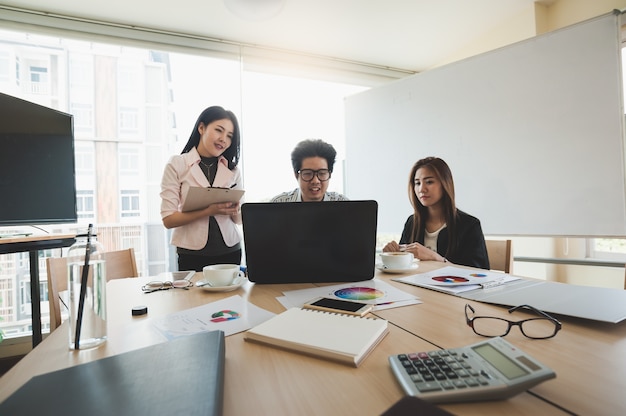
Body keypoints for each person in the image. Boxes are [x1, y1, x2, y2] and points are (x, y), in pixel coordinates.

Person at [160, 106, 243, 272]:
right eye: (219, 130)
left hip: (230, 251)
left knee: (232, 298)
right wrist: (209, 210)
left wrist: (233, 210)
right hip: (191, 254)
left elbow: (239, 220)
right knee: (193, 299)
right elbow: (168, 219)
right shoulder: (177, 164)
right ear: (201, 128)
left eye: (229, 136)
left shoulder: (233, 170)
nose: (223, 139)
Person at [383, 157, 490, 269]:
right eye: (417, 183)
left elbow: (480, 273)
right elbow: (403, 266)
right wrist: (393, 254)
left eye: (429, 182)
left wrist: (434, 257)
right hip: (416, 285)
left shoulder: (469, 225)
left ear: (445, 184)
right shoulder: (412, 222)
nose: (421, 189)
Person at [270, 139, 348, 202]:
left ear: (330, 174)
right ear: (296, 175)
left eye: (322, 173)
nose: (315, 181)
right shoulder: (278, 204)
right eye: (308, 173)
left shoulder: (343, 203)